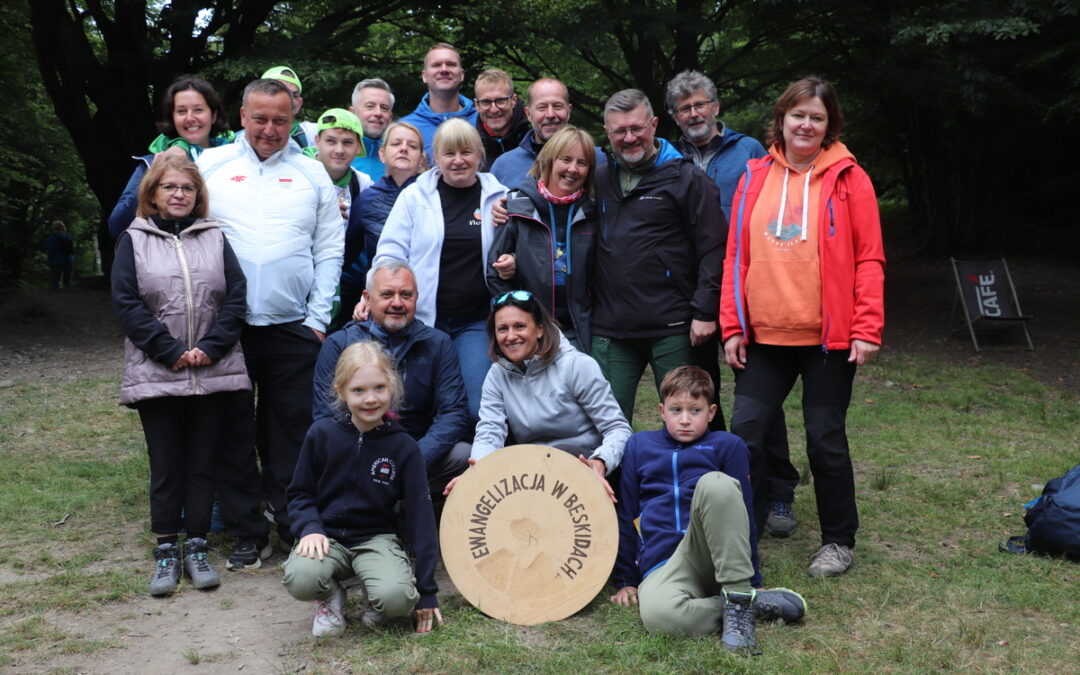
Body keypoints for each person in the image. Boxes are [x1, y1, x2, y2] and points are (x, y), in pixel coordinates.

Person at [721, 76, 885, 577]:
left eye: (817, 117)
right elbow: (735, 257)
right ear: (782, 119)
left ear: (829, 123)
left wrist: (867, 327)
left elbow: (869, 259)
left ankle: (838, 541)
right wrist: (732, 325)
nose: (806, 124)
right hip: (764, 337)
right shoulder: (754, 176)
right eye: (798, 115)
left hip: (828, 340)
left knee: (824, 438)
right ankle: (735, 535)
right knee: (743, 436)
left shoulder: (849, 179)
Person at [198, 78, 343, 568]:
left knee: (292, 432)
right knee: (232, 430)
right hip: (226, 327)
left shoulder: (311, 173)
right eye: (259, 118)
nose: (269, 129)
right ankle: (246, 530)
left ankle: (291, 522)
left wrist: (318, 320)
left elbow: (329, 249)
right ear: (241, 116)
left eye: (280, 119)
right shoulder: (211, 166)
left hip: (293, 328)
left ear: (292, 117)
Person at [666, 71, 798, 537]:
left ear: (716, 107)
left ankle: (778, 493)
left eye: (700, 104)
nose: (694, 114)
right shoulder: (669, 157)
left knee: (760, 398)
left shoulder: (750, 152)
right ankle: (719, 481)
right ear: (674, 117)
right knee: (702, 394)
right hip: (692, 294)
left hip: (746, 293)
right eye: (684, 109)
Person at [111, 155, 250, 596]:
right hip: (158, 371)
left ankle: (197, 545)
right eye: (170, 187)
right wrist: (169, 351)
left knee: (201, 463)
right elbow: (126, 301)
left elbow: (236, 295)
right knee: (167, 464)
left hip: (212, 370)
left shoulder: (214, 236)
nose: (179, 195)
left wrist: (210, 348)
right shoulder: (133, 240)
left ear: (197, 196)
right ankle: (167, 549)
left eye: (187, 189)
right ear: (152, 193)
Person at [609, 366, 806, 653]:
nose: (685, 420)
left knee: (716, 484)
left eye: (695, 410)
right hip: (664, 564)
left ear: (711, 412)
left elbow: (743, 513)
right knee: (660, 618)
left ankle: (739, 592)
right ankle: (748, 605)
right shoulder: (639, 445)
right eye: (676, 410)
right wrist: (626, 580)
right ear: (662, 411)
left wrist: (753, 578)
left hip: (715, 554)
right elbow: (627, 512)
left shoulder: (727, 445)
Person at [283, 341, 441, 637]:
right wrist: (310, 528)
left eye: (379, 388)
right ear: (340, 391)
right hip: (327, 537)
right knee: (301, 579)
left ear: (392, 388)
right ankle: (330, 599)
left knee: (396, 600)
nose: (371, 399)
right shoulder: (321, 434)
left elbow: (421, 516)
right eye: (359, 390)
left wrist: (427, 590)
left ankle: (377, 596)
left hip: (376, 538)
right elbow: (300, 493)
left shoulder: (404, 447)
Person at [591, 89, 725, 426]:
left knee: (692, 418)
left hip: (675, 325)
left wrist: (706, 310)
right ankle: (612, 481)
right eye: (619, 131)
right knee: (602, 423)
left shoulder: (687, 178)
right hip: (612, 325)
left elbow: (714, 248)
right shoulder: (599, 177)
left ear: (653, 124)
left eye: (637, 128)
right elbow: (548, 186)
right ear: (607, 133)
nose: (630, 137)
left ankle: (709, 480)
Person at [373, 118, 507, 420]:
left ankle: (468, 461)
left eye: (466, 152)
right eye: (449, 153)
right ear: (435, 157)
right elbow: (389, 254)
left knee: (475, 408)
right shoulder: (414, 197)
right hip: (422, 320)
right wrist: (380, 296)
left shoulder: (500, 198)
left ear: (479, 155)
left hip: (474, 321)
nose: (458, 161)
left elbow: (518, 250)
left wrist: (510, 261)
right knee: (410, 405)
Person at [314, 260, 471, 500]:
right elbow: (326, 415)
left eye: (405, 295)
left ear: (417, 297)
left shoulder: (438, 344)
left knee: (463, 454)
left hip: (418, 453)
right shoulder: (339, 344)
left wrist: (412, 458)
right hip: (357, 452)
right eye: (387, 294)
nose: (397, 303)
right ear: (367, 297)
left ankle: (426, 516)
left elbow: (453, 413)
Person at [461, 290, 631, 500]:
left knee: (562, 453)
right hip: (532, 475)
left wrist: (601, 462)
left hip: (584, 465)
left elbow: (618, 428)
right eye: (502, 329)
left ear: (540, 329)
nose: (511, 336)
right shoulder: (497, 375)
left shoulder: (577, 365)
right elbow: (489, 432)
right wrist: (477, 473)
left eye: (520, 326)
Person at [487, 126, 598, 351]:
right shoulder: (518, 205)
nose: (573, 169)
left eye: (582, 163)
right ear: (549, 160)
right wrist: (520, 319)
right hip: (531, 330)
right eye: (565, 159)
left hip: (582, 329)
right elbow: (494, 273)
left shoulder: (593, 210)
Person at [108, 75, 232, 238]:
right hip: (171, 258)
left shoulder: (235, 158)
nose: (189, 117)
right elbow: (118, 224)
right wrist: (154, 174)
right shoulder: (153, 163)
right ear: (173, 118)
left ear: (213, 116)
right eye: (181, 111)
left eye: (198, 110)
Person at [338, 122, 425, 329]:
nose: (404, 148)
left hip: (428, 297)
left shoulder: (433, 194)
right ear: (382, 154)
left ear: (422, 158)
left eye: (412, 146)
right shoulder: (367, 199)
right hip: (383, 300)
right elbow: (346, 256)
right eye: (396, 144)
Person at [490, 78, 602, 190]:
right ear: (529, 114)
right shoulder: (504, 166)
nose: (550, 114)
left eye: (557, 106)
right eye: (542, 107)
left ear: (569, 111)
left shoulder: (597, 159)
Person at [400, 43, 478, 160]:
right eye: (436, 65)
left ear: (462, 75)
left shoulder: (482, 121)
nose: (444, 69)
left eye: (451, 64)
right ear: (424, 76)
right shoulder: (405, 128)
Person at [305, 108, 374, 223]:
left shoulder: (362, 184)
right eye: (331, 141)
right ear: (317, 142)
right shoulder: (294, 174)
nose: (339, 150)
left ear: (358, 147)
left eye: (347, 143)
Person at [473, 69, 529, 171]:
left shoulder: (533, 138)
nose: (494, 109)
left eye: (500, 100)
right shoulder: (470, 144)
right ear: (477, 105)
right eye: (486, 102)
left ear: (513, 100)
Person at [261, 65, 318, 149]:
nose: (288, 101)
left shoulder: (313, 134)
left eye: (294, 95)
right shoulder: (239, 140)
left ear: (299, 103)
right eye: (279, 93)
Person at [349, 78, 396, 180]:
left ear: (391, 117)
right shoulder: (336, 156)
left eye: (384, 108)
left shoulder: (401, 159)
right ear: (352, 113)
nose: (378, 113)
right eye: (370, 106)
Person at [45, 221, 75, 289]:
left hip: (56, 260)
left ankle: (56, 296)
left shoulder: (51, 237)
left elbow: (50, 249)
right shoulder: (68, 236)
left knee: (56, 279)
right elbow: (72, 249)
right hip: (69, 259)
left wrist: (49, 259)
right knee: (67, 280)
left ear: (54, 227)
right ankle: (68, 295)